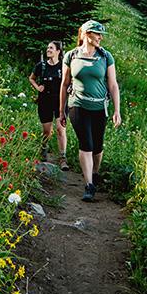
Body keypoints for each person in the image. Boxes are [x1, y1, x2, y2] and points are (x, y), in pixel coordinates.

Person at [59, 20, 121, 202]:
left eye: (101, 34)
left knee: (97, 147)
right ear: (86, 34)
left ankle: (95, 173)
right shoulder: (71, 56)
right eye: (97, 34)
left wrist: (117, 110)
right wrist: (61, 111)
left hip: (99, 107)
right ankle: (89, 185)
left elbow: (113, 84)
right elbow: (64, 84)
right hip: (77, 105)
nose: (100, 37)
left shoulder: (105, 56)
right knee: (86, 144)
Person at [28, 40, 69, 170]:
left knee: (60, 129)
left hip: (60, 102)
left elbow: (70, 81)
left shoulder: (64, 66)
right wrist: (37, 87)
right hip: (44, 101)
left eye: (51, 48)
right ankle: (44, 148)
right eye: (47, 48)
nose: (48, 50)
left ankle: (63, 158)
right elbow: (31, 78)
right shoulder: (41, 66)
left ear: (58, 51)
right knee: (47, 131)